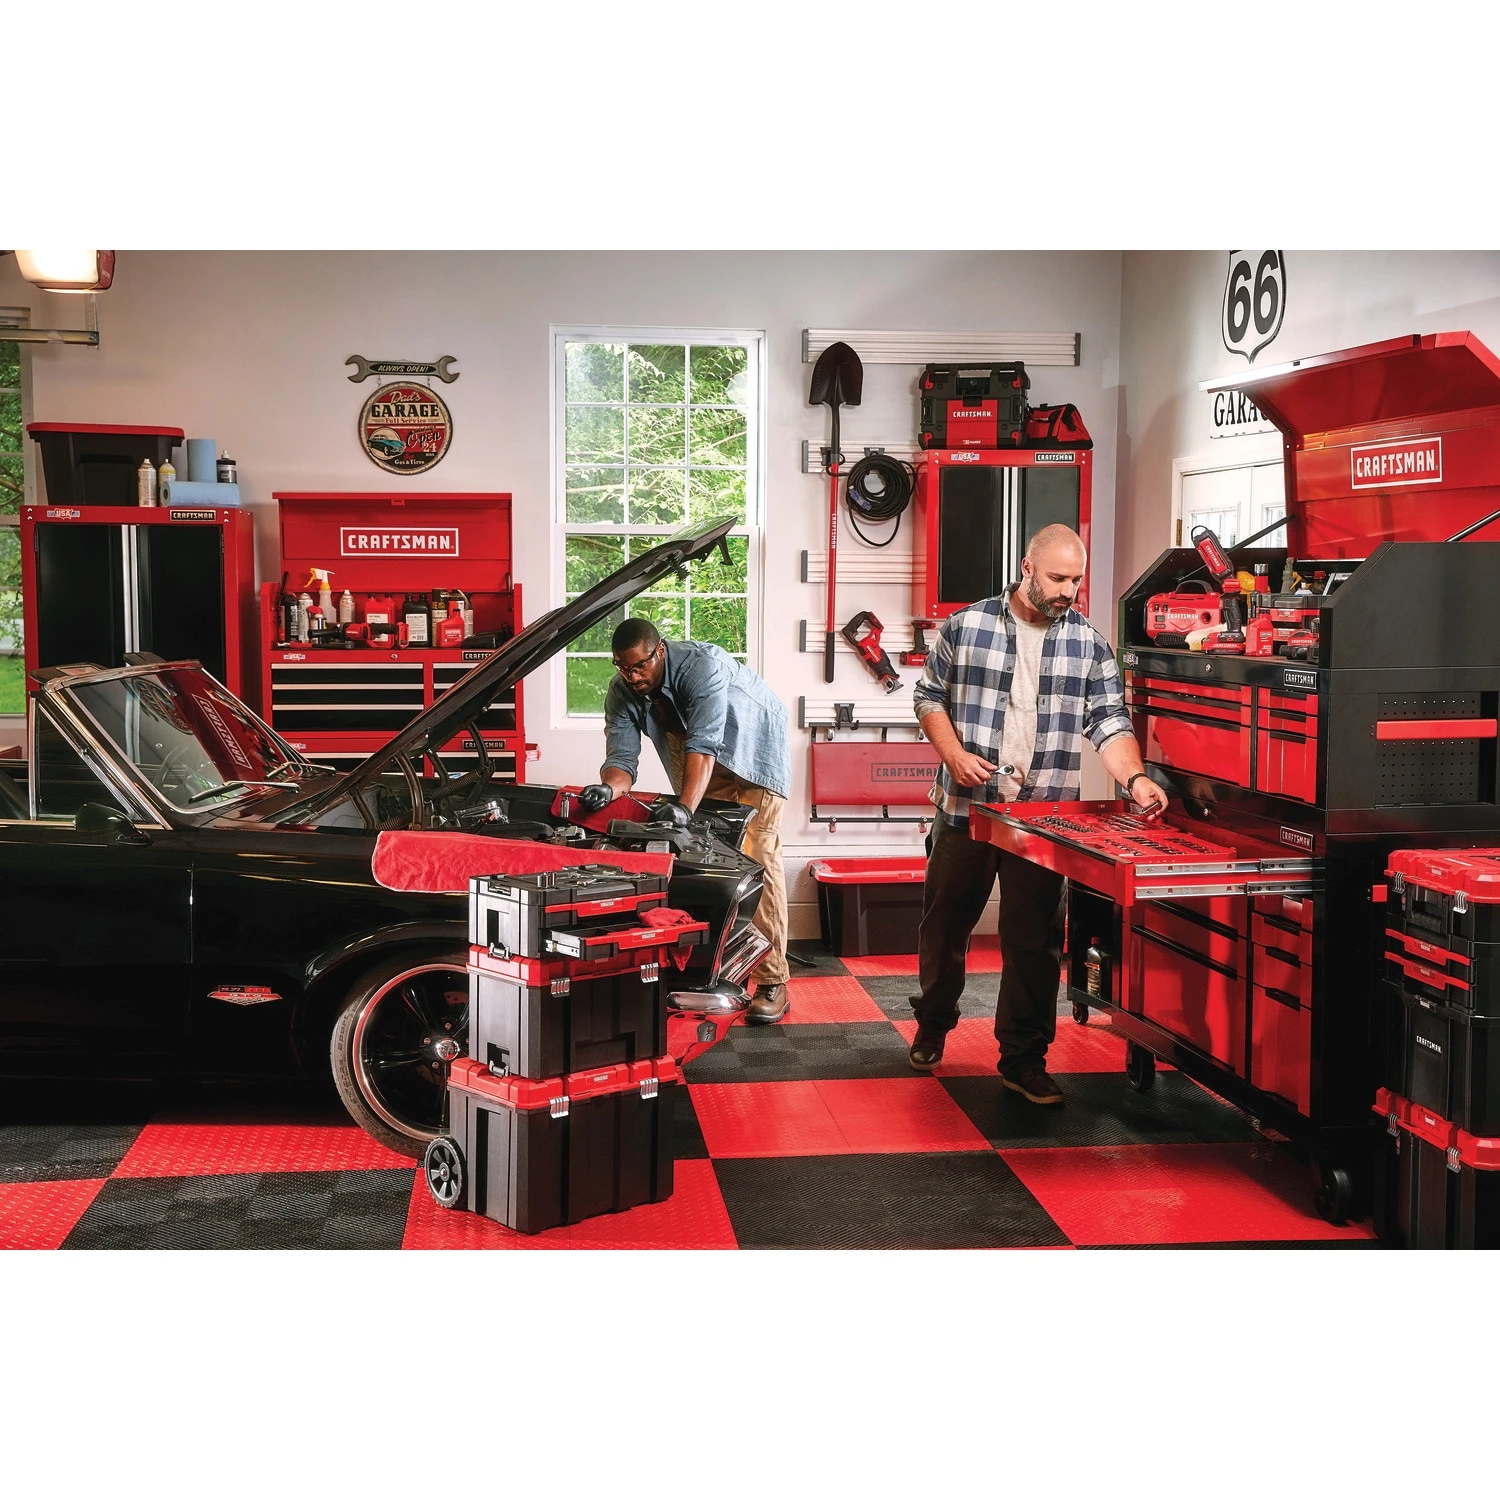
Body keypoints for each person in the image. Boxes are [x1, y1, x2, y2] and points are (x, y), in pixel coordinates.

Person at [908, 523, 1168, 1103]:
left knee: (1035, 942)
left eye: (1076, 580)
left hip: (1041, 819)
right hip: (965, 810)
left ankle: (1023, 1059)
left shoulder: (1089, 643)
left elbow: (1109, 721)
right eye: (1057, 578)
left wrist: (1135, 778)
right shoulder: (966, 626)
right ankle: (933, 1023)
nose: (1068, 591)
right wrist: (953, 756)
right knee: (945, 926)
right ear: (1027, 567)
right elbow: (927, 697)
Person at [576, 619, 793, 1023]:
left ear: (659, 650)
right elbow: (622, 759)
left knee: (756, 859)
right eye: (623, 667)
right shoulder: (623, 688)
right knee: (707, 863)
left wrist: (686, 807)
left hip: (752, 751)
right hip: (699, 756)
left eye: (640, 666)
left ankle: (773, 982)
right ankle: (714, 972)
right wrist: (608, 789)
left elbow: (705, 742)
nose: (633, 676)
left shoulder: (700, 665)